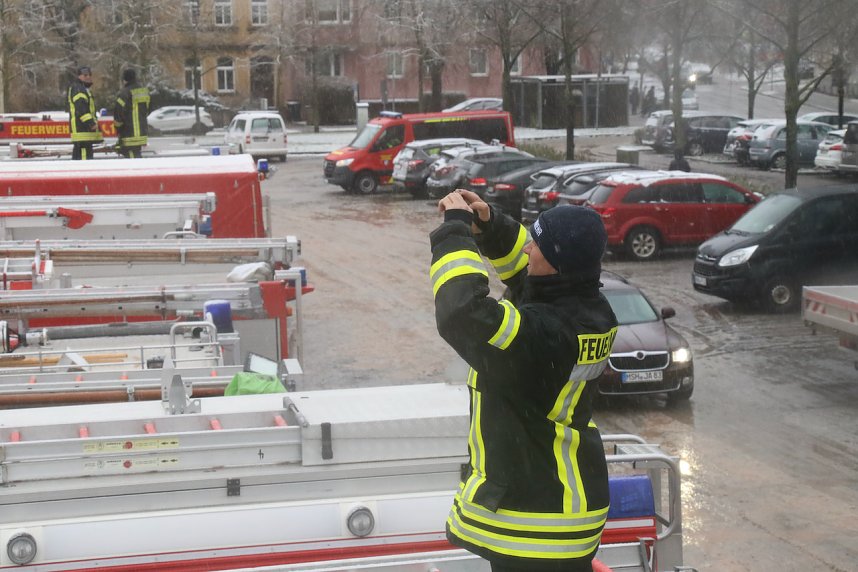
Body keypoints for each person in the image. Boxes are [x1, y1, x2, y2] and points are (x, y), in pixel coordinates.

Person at [430, 190, 618, 572]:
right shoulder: (586, 307)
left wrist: (455, 232)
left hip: (536, 524)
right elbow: (528, 273)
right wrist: (491, 225)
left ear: (558, 263)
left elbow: (463, 313)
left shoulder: (546, 333)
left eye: (539, 243)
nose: (529, 247)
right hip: (563, 507)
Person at [113, 68, 151, 158]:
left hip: (129, 132)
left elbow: (118, 113)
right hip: (142, 131)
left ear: (124, 80)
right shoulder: (144, 91)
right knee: (136, 153)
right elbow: (148, 109)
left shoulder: (124, 93)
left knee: (131, 156)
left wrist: (118, 128)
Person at [67, 66, 103, 160]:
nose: (88, 77)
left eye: (90, 75)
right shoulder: (79, 89)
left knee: (85, 161)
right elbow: (81, 109)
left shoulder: (81, 88)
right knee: (84, 162)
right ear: (79, 76)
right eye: (85, 75)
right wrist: (91, 123)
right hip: (82, 132)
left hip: (84, 133)